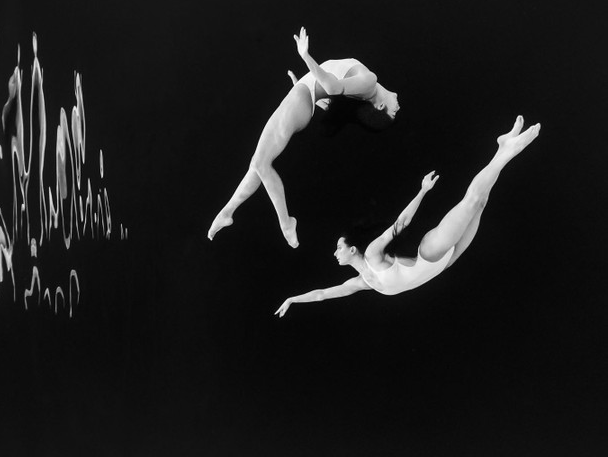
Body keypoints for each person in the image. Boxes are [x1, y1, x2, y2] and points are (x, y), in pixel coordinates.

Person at [274, 116, 540, 316]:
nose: (335, 252)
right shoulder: (362, 282)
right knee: (481, 204)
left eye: (338, 248)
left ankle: (506, 152)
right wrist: (292, 300)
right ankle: (501, 147)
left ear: (353, 249)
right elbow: (322, 295)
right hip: (444, 264)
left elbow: (401, 224)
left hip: (430, 253)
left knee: (471, 202)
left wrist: (422, 191)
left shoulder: (372, 253)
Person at [208, 27, 400, 248]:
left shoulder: (370, 82)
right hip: (303, 96)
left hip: (301, 98)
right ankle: (227, 212)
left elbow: (333, 86)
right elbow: (329, 92)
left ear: (381, 106)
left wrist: (306, 57)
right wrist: (304, 82)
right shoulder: (365, 90)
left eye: (394, 112)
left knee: (261, 163)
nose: (399, 107)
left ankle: (286, 222)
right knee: (257, 163)